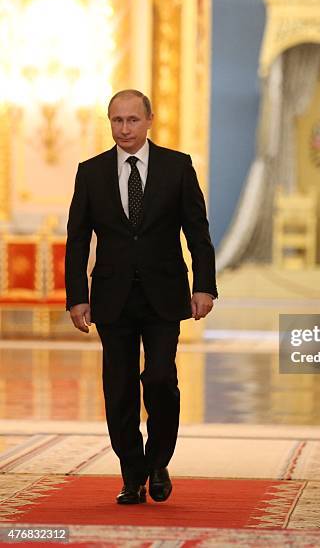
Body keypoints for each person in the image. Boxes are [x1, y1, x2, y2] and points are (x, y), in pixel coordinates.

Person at [65, 89, 217, 505]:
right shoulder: (91, 171)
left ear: (149, 120)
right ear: (109, 122)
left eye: (133, 120)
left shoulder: (177, 167)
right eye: (117, 120)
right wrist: (77, 296)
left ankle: (158, 460)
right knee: (118, 388)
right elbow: (77, 240)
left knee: (160, 378)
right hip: (111, 297)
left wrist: (204, 285)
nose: (124, 129)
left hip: (164, 294)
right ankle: (132, 471)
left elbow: (198, 233)